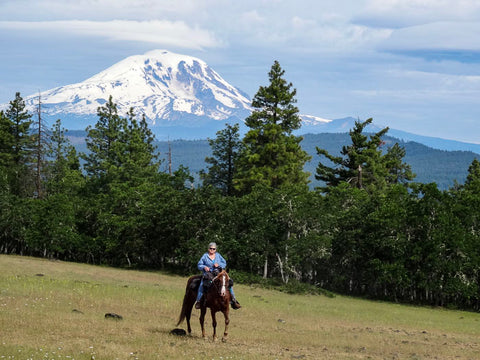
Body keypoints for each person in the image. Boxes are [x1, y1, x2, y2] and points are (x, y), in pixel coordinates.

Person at [195, 242, 241, 310]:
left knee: (229, 283)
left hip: (218, 273)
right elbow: (199, 265)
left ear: (215, 250)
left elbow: (224, 263)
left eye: (214, 249)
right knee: (202, 284)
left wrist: (219, 265)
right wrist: (204, 267)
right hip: (208, 274)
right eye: (211, 248)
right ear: (208, 249)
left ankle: (233, 300)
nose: (212, 250)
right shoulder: (205, 256)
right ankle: (198, 301)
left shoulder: (218, 256)